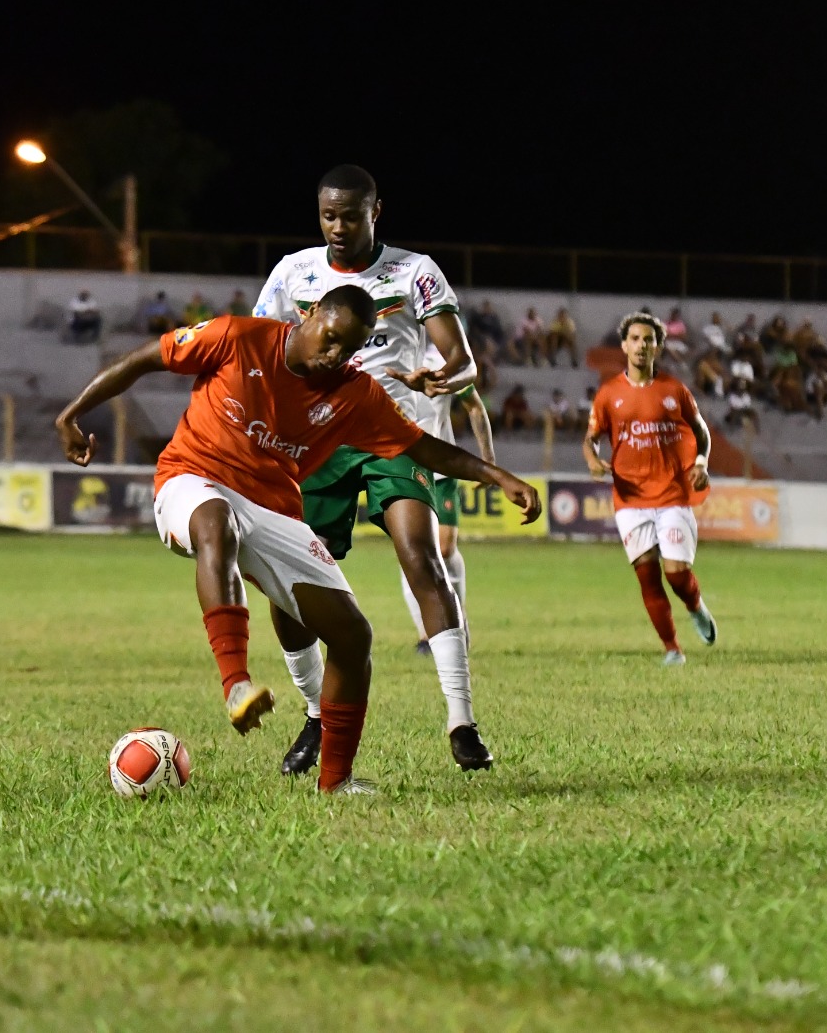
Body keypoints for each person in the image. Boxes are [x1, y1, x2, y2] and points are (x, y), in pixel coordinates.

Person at [54, 287, 540, 793]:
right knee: (216, 522)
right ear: (308, 315)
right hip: (192, 479)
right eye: (329, 338)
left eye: (347, 349)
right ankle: (236, 684)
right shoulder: (237, 337)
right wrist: (71, 415)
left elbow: (422, 447)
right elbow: (141, 360)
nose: (333, 356)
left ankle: (336, 781)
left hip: (273, 507)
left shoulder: (355, 393)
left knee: (353, 636)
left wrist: (497, 476)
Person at [253, 166, 500, 775]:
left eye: (351, 216)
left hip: (392, 436)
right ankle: (315, 714)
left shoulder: (415, 273)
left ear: (375, 212)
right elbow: (265, 348)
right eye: (328, 216)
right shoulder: (293, 272)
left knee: (422, 557)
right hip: (316, 442)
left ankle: (462, 721)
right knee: (293, 587)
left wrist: (444, 376)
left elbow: (464, 363)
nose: (338, 228)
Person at [583, 312, 718, 665]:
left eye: (649, 339)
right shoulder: (609, 393)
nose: (642, 345)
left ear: (658, 346)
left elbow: (701, 431)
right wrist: (593, 461)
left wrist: (701, 463)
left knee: (676, 573)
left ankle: (695, 605)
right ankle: (673, 649)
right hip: (630, 499)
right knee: (646, 574)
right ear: (625, 345)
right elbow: (591, 439)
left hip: (672, 494)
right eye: (636, 339)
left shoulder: (675, 391)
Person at [400, 346, 496, 655]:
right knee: (414, 549)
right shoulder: (385, 354)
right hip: (402, 468)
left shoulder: (440, 359)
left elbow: (475, 407)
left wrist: (488, 461)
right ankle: (428, 634)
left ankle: (457, 619)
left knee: (444, 547)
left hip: (439, 468)